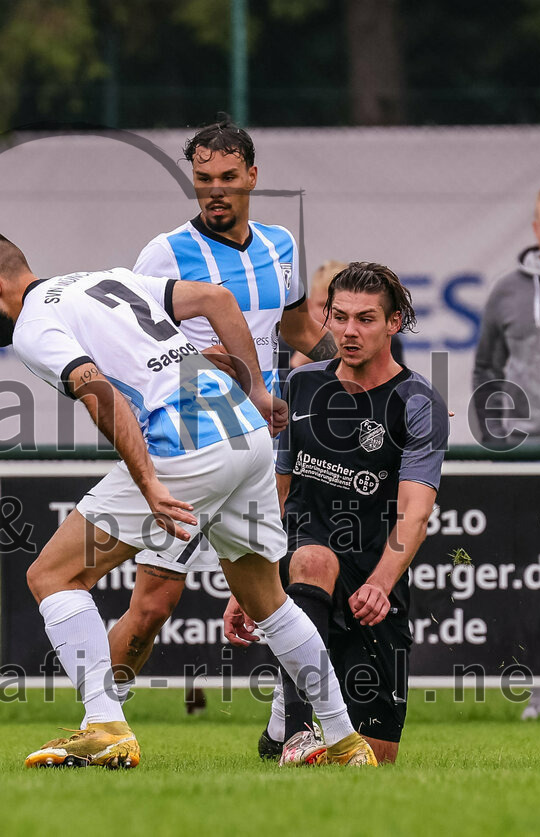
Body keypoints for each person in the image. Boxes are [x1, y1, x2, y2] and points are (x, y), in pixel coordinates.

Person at [0, 229, 377, 768]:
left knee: (53, 576)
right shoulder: (104, 278)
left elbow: (98, 392)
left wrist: (148, 482)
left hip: (185, 445)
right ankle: (344, 742)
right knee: (270, 600)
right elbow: (217, 299)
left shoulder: (34, 325)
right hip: (246, 434)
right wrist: (258, 392)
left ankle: (103, 724)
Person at [104, 119, 340, 709]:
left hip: (259, 448)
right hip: (190, 441)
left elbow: (295, 328)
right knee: (154, 605)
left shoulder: (279, 244)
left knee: (273, 601)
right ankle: (102, 717)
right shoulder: (165, 253)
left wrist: (356, 375)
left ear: (252, 177)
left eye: (228, 177)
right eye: (203, 178)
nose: (215, 190)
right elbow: (130, 345)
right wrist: (200, 359)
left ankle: (317, 726)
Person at [225, 262, 449, 764]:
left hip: (373, 577)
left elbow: (414, 514)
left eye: (366, 319)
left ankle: (286, 713)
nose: (349, 331)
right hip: (303, 559)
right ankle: (298, 722)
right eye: (340, 316)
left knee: (375, 759)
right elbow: (273, 494)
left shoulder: (418, 404)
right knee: (315, 559)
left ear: (394, 323)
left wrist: (381, 582)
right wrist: (248, 582)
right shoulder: (299, 384)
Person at [472, 177, 540, 719]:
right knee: (535, 579)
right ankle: (539, 691)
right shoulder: (507, 291)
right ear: (536, 229)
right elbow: (487, 366)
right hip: (529, 461)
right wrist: (492, 438)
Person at [289, 260, 405, 369]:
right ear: (309, 305)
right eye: (322, 305)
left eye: (365, 319)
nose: (328, 315)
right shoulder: (290, 340)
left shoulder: (384, 339)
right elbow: (279, 387)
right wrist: (296, 364)